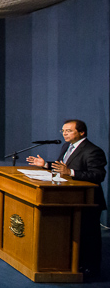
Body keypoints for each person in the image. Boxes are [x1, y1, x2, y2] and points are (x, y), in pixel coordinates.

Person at [27, 119, 107, 278]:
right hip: (69, 198)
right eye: (63, 131)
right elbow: (62, 168)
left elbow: (98, 175)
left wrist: (71, 173)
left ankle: (91, 269)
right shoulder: (66, 147)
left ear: (82, 132)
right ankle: (72, 264)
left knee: (89, 236)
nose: (64, 133)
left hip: (88, 201)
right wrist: (45, 165)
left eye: (69, 130)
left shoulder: (92, 151)